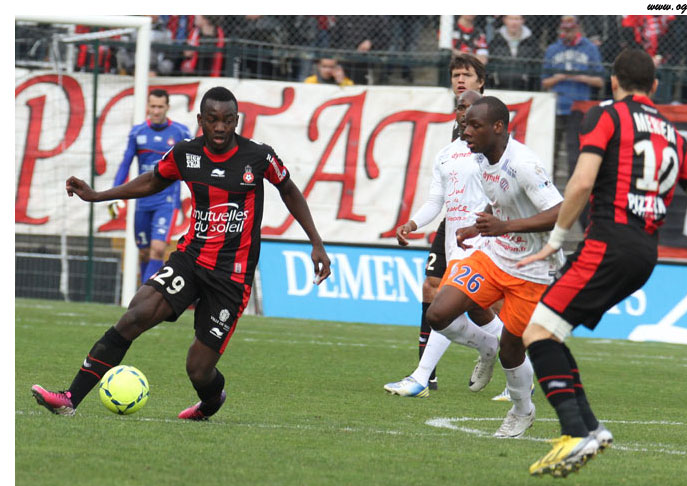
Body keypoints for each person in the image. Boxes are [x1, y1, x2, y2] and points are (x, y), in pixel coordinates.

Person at [31, 86, 332, 419]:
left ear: (236, 120)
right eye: (213, 120)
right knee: (136, 314)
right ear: (201, 120)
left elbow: (288, 189)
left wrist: (316, 242)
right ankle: (70, 398)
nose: (220, 127)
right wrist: (99, 195)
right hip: (191, 259)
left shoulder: (258, 157)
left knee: (198, 369)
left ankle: (212, 401)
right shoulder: (186, 154)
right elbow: (153, 181)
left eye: (227, 120)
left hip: (231, 277)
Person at [518, 48, 687, 477]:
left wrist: (556, 239)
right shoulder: (675, 135)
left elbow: (582, 182)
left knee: (535, 332)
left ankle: (575, 433)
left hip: (608, 244)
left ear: (613, 82)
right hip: (645, 254)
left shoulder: (606, 115)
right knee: (552, 331)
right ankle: (591, 428)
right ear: (655, 86)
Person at [424, 95, 564, 437]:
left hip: (532, 269)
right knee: (438, 314)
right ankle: (485, 346)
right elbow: (500, 199)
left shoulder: (524, 164)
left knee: (512, 349)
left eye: (475, 125)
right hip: (492, 256)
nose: (465, 131)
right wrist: (479, 226)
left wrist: (505, 226)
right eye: (465, 124)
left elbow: (562, 213)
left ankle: (522, 410)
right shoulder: (482, 158)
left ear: (498, 127)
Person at [384, 90, 502, 398]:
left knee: (445, 309)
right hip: (454, 245)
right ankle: (505, 359)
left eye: (470, 108)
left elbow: (503, 195)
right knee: (463, 312)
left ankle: (421, 378)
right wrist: (412, 224)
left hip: (481, 244)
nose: (464, 113)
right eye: (460, 107)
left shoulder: (490, 152)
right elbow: (436, 201)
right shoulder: (446, 154)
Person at [411, 53, 486, 392]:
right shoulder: (454, 138)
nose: (460, 80)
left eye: (466, 75)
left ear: (481, 82)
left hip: (483, 225)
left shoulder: (492, 125)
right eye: (455, 75)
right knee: (433, 286)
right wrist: (413, 223)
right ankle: (425, 373)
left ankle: (502, 356)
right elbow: (440, 194)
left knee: (484, 304)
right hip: (453, 222)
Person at [110, 89, 192, 284]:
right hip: (143, 201)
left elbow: (191, 165)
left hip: (167, 200)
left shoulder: (180, 133)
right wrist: (114, 193)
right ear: (148, 107)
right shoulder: (137, 132)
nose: (156, 111)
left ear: (167, 107)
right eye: (153, 106)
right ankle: (145, 291)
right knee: (145, 252)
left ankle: (147, 294)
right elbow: (125, 163)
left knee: (158, 249)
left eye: (160, 107)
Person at [541, 15, 604, 183]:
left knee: (574, 152)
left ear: (578, 28)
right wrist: (560, 77)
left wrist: (579, 77)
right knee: (551, 151)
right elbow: (544, 82)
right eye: (565, 30)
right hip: (556, 105)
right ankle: (548, 188)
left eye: (571, 30)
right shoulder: (553, 49)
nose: (567, 33)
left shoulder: (590, 48)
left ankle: (572, 189)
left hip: (579, 107)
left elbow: (599, 81)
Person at [487, 15, 541, 91]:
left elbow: (536, 66)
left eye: (517, 19)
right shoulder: (496, 41)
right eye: (511, 19)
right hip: (498, 87)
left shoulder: (532, 42)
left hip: (525, 88)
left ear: (523, 20)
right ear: (504, 20)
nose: (514, 23)